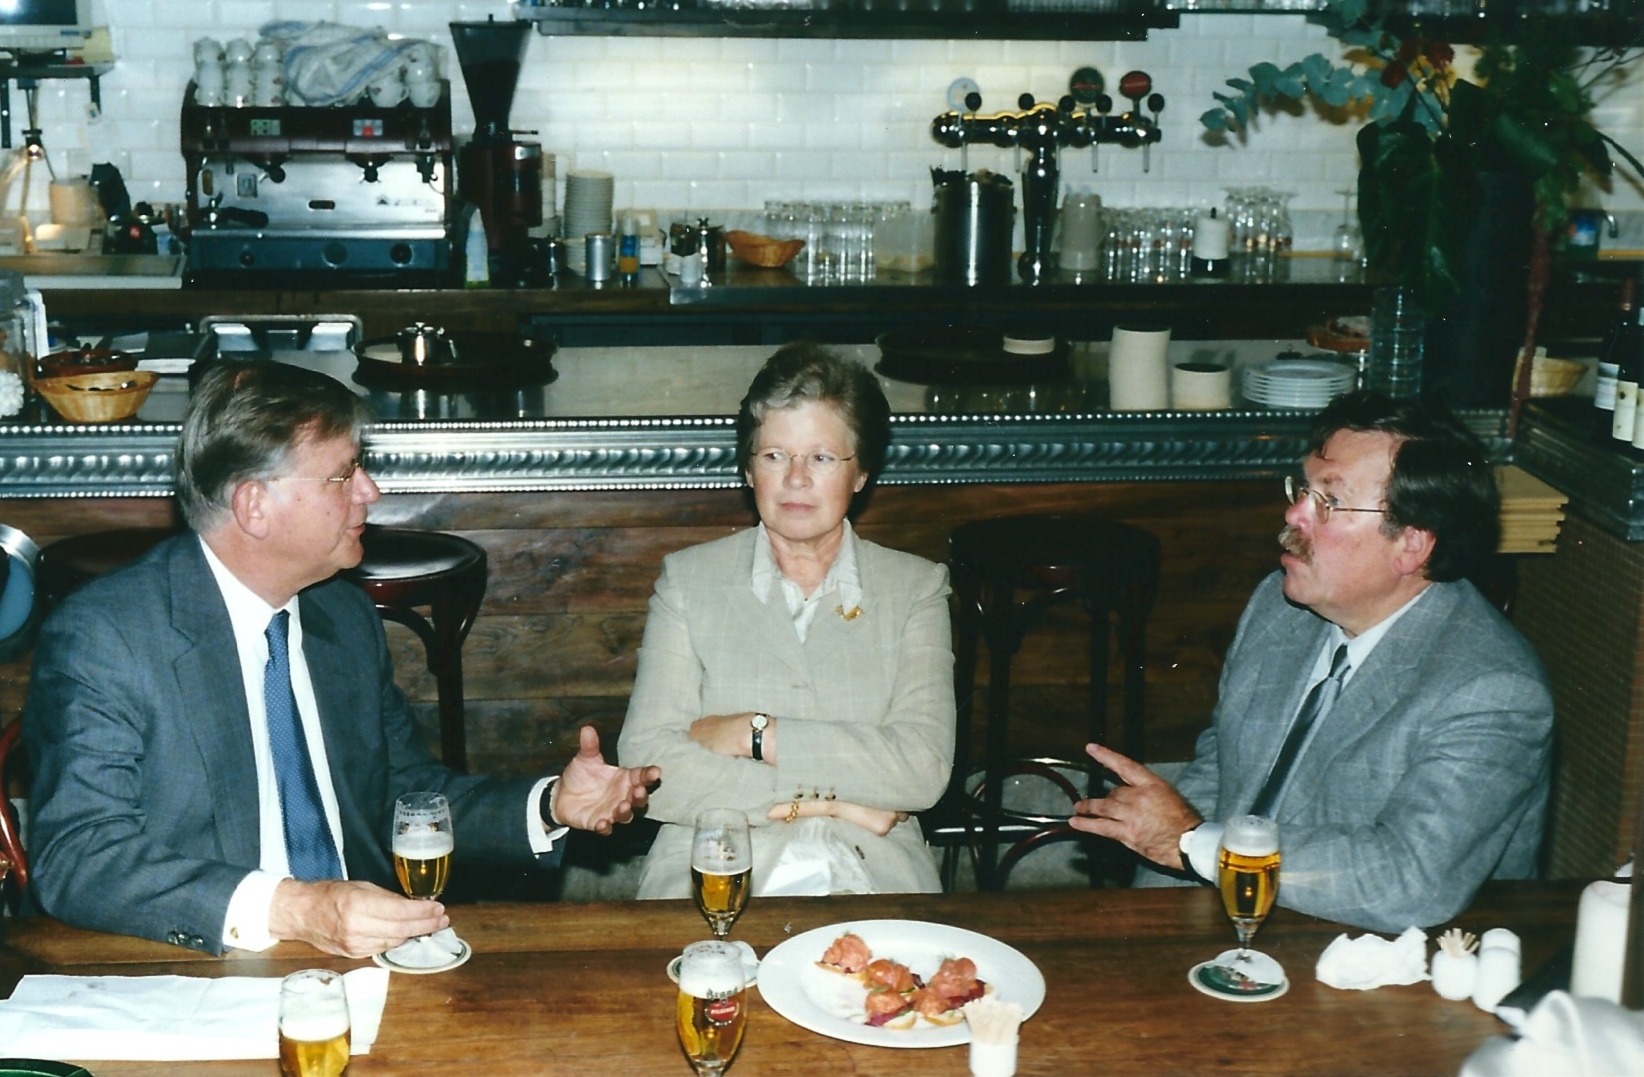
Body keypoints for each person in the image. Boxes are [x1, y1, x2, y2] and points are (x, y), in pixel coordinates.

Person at [23, 361, 660, 957]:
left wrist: (549, 805)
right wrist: (299, 910)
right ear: (254, 506)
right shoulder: (110, 636)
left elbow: (404, 796)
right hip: (192, 962)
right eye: (342, 475)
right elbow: (79, 856)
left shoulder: (341, 618)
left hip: (362, 957)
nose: (370, 492)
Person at [1070, 390, 1553, 932]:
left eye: (1330, 500)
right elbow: (1224, 761)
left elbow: (1408, 878)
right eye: (1303, 488)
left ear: (1411, 545)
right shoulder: (1279, 610)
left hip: (1384, 955)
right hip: (1239, 910)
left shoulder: (1492, 689)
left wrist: (1189, 842)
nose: (1294, 513)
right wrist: (1153, 893)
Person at [618, 342, 954, 897]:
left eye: (821, 457)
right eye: (775, 455)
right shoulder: (688, 582)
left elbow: (922, 771)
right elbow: (651, 768)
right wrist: (838, 801)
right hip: (717, 862)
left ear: (861, 473)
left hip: (873, 866)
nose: (796, 479)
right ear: (749, 470)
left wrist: (756, 733)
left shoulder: (915, 587)